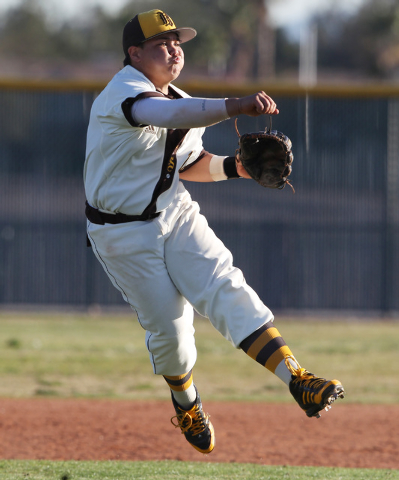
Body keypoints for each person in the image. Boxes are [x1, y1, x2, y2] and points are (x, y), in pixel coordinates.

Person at [84, 9, 345, 454]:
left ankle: (297, 378)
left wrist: (239, 168)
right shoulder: (123, 94)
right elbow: (165, 114)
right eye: (162, 42)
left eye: (179, 42)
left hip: (173, 212)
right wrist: (236, 106)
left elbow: (189, 164)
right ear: (134, 52)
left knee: (225, 285)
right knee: (173, 331)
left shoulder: (176, 98)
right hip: (122, 234)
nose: (174, 49)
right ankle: (186, 401)